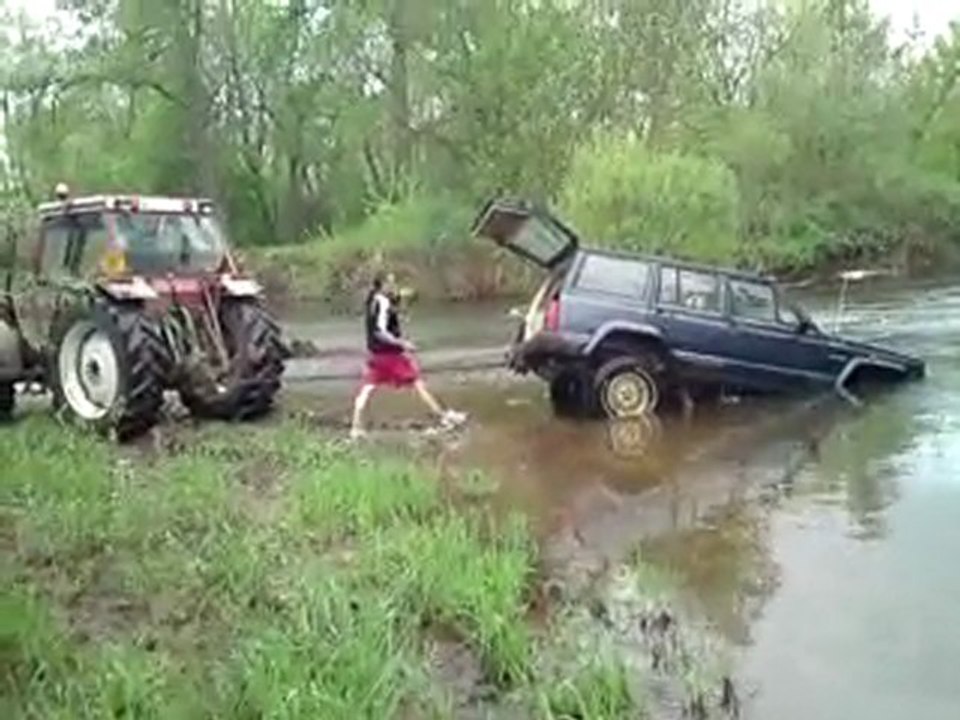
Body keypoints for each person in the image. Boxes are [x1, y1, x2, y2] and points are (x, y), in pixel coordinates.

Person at [350, 272, 466, 439]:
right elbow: (380, 331)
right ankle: (444, 418)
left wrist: (400, 301)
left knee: (367, 388)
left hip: (375, 355)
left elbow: (383, 319)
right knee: (418, 383)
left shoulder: (373, 300)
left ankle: (355, 428)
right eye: (390, 282)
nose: (393, 284)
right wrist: (402, 343)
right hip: (391, 355)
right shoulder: (382, 302)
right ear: (382, 285)